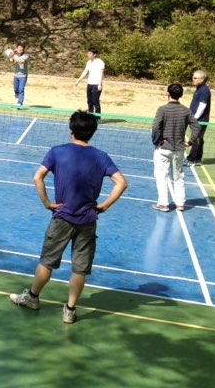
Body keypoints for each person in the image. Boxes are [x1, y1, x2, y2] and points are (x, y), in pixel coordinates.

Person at [10, 111, 128, 323]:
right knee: (79, 269)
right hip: (88, 220)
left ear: (71, 130)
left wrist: (47, 203)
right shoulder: (101, 156)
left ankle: (32, 298)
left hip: (62, 218)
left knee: (47, 262)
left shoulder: (57, 151)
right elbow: (121, 183)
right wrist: (104, 205)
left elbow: (37, 177)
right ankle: (70, 311)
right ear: (92, 132)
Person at [152, 83, 203, 212]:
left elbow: (156, 127)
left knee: (161, 176)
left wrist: (157, 141)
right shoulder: (186, 110)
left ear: (168, 94)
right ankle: (180, 203)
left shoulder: (162, 109)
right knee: (179, 176)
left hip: (163, 148)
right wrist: (190, 142)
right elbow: (197, 127)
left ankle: (163, 203)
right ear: (181, 95)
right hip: (179, 149)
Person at [187, 70, 211, 167]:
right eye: (193, 77)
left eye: (195, 78)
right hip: (198, 119)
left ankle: (191, 159)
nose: (193, 79)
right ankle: (198, 159)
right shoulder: (199, 88)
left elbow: (202, 105)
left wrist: (195, 117)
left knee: (196, 138)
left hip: (200, 120)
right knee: (199, 138)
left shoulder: (204, 90)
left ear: (202, 79)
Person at [75, 48, 105, 114]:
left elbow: (101, 74)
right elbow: (85, 72)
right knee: (89, 101)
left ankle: (97, 117)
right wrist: (78, 80)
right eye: (88, 53)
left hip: (96, 84)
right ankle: (90, 115)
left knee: (95, 101)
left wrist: (100, 84)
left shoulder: (100, 62)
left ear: (94, 54)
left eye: (90, 53)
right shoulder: (89, 62)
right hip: (89, 84)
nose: (88, 54)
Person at [9, 42, 29, 109]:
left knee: (21, 89)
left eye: (22, 48)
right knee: (16, 89)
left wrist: (13, 56)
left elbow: (21, 61)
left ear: (24, 49)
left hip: (23, 76)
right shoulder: (15, 56)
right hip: (16, 76)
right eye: (19, 47)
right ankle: (17, 101)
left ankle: (20, 103)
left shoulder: (26, 56)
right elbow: (11, 61)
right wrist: (10, 56)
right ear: (17, 48)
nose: (20, 49)